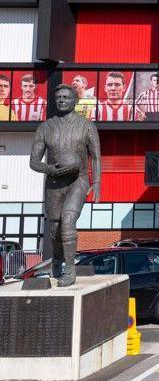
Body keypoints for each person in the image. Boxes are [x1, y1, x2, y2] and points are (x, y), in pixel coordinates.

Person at [29, 84, 101, 287]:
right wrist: (50, 169)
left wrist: (96, 182)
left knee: (68, 220)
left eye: (65, 97)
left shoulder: (86, 125)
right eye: (58, 97)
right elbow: (34, 161)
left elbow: (96, 157)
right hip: (54, 182)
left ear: (75, 101)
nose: (61, 100)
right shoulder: (45, 127)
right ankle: (58, 260)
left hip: (78, 179)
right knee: (55, 229)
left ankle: (70, 271)